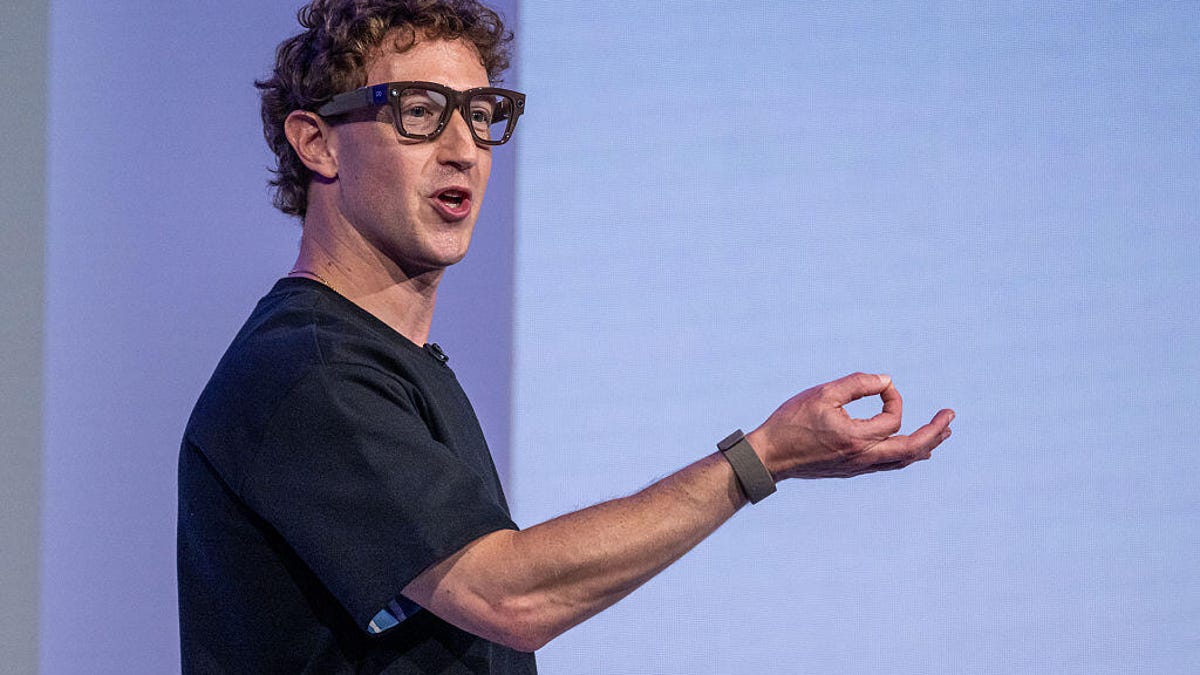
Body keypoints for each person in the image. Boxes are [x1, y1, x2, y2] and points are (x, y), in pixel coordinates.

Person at [176, 1, 955, 672]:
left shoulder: (392, 365)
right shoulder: (308, 370)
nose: (463, 148)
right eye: (419, 111)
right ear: (317, 143)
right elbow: (507, 592)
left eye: (481, 115)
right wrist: (761, 457)